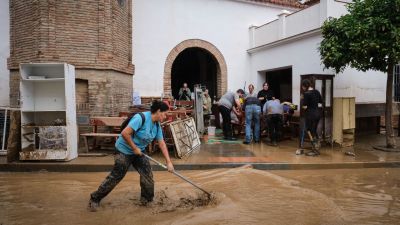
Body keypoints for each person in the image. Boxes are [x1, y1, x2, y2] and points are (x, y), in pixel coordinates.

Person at [88, 100, 174, 211]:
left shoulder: (157, 125)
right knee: (116, 176)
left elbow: (161, 143)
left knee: (147, 175)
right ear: (158, 111)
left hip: (140, 152)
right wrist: (134, 148)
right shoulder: (140, 118)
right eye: (165, 114)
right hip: (124, 150)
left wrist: (168, 162)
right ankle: (94, 199)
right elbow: (125, 133)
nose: (166, 117)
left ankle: (146, 200)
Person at [301, 79, 323, 156]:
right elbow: (320, 102)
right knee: (314, 130)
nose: (303, 88)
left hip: (310, 115)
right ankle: (317, 144)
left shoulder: (306, 94)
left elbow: (304, 106)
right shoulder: (317, 92)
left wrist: (302, 100)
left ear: (305, 86)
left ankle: (315, 148)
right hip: (318, 114)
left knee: (309, 130)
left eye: (303, 87)